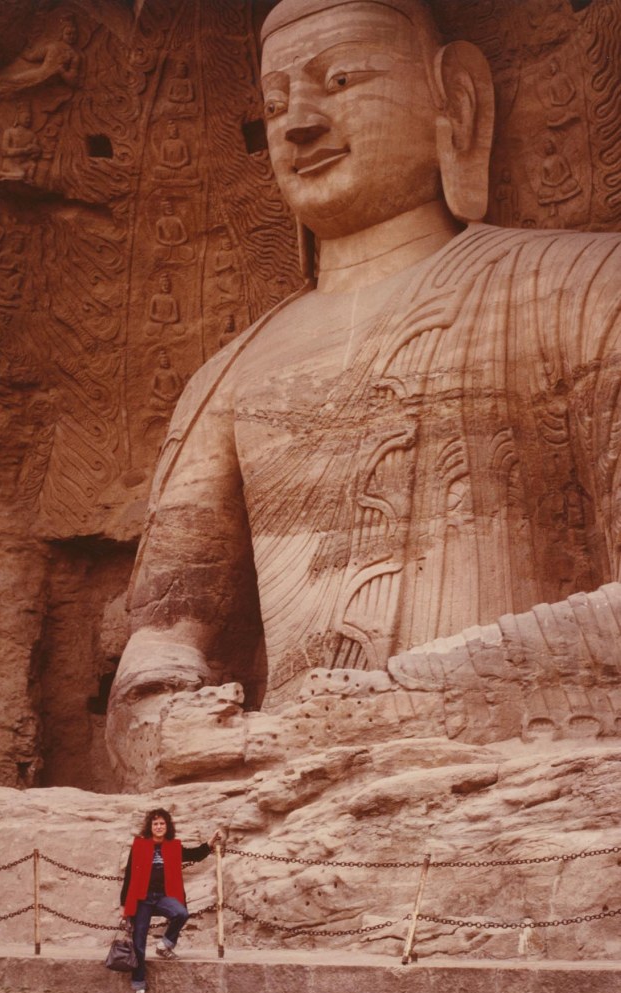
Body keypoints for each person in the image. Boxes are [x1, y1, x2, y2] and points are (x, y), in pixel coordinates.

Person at [106, 0, 621, 784]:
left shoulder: (585, 286)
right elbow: (163, 638)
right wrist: (166, 718)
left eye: (342, 81)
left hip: (524, 779)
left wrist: (402, 703)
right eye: (274, 105)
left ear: (456, 100)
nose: (299, 124)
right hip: (285, 789)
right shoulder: (229, 374)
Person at [120, 807, 222, 993]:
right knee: (139, 944)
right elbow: (129, 876)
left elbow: (193, 854)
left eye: (162, 823)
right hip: (142, 899)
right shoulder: (139, 845)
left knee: (181, 913)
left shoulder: (173, 846)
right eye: (155, 824)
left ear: (167, 827)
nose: (159, 827)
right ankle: (139, 987)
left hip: (162, 897)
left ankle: (164, 944)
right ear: (150, 826)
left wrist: (210, 843)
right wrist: (124, 906)